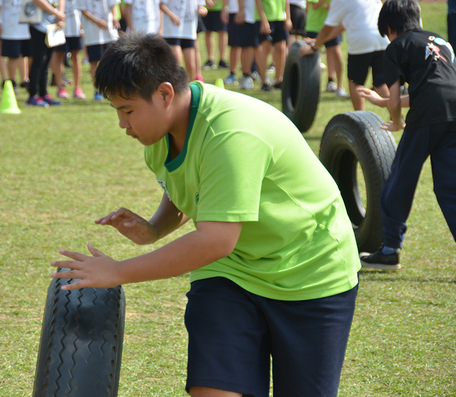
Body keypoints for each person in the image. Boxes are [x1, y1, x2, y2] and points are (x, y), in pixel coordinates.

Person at [51, 32, 360, 397]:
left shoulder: (231, 132)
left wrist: (118, 271)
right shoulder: (159, 137)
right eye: (117, 110)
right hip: (232, 273)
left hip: (310, 272)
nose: (123, 124)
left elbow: (216, 239)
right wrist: (153, 229)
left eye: (128, 110)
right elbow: (191, 194)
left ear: (165, 94)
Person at [357, 0, 456, 269]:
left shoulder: (396, 46)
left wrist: (397, 121)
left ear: (390, 28)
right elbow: (435, 88)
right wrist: (383, 102)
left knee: (400, 178)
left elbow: (398, 98)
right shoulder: (441, 42)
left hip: (427, 115)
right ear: (418, 19)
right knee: (450, 187)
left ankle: (390, 249)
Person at [300, 0, 389, 110]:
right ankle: (396, 117)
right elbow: (342, 25)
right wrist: (318, 40)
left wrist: (314, 48)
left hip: (361, 41)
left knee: (355, 83)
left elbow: (327, 29)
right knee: (380, 83)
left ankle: (360, 119)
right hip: (383, 39)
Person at [76, 0, 120, 100]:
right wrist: (97, 21)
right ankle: (98, 90)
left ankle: (112, 88)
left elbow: (113, 4)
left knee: (112, 61)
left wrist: (113, 17)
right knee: (94, 61)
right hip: (93, 33)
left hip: (109, 32)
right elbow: (83, 10)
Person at [305, 0, 347, 97]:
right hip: (314, 26)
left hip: (332, 26)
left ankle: (337, 85)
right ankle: (308, 87)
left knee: (335, 54)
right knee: (310, 56)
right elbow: (315, 6)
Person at [160, 0, 207, 82]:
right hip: (172, 31)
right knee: (176, 61)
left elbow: (201, 7)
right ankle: (174, 87)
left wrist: (202, 11)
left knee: (191, 65)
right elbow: (161, 5)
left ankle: (190, 88)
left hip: (189, 31)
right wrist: (171, 15)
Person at [0, 0, 31, 93]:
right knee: (12, 56)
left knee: (24, 54)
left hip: (25, 26)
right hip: (9, 27)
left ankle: (25, 79)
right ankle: (10, 81)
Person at [255, 0, 291, 90]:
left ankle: (278, 80)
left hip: (280, 18)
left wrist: (288, 18)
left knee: (281, 48)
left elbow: (286, 1)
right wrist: (264, 20)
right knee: (265, 48)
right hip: (267, 18)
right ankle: (264, 81)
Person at [55, 0, 86, 99]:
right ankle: (60, 87)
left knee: (76, 56)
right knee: (59, 56)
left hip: (75, 27)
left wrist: (81, 25)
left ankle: (77, 87)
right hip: (60, 27)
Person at [201, 0, 228, 70]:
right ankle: (210, 59)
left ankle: (222, 59)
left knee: (222, 32)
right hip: (206, 8)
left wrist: (215, 2)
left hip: (220, 8)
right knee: (208, 32)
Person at [221, 0, 241, 85]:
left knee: (252, 46)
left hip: (251, 13)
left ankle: (251, 71)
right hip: (234, 11)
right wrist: (224, 8)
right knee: (234, 44)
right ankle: (232, 73)